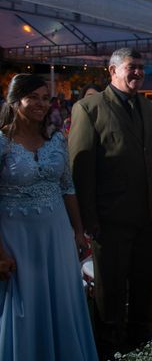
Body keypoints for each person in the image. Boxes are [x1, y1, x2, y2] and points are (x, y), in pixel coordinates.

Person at [68, 48, 152, 360]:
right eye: (132, 67)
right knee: (111, 297)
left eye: (142, 67)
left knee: (144, 293)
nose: (138, 73)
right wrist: (89, 221)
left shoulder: (147, 106)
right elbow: (81, 169)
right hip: (111, 222)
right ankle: (107, 351)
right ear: (112, 71)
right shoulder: (89, 108)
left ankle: (141, 350)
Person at [0, 74, 98, 361]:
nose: (41, 104)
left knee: (61, 298)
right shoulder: (3, 142)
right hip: (16, 235)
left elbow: (67, 187)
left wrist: (79, 232)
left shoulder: (56, 139)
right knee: (24, 303)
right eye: (34, 98)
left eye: (46, 98)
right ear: (16, 100)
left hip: (56, 231)